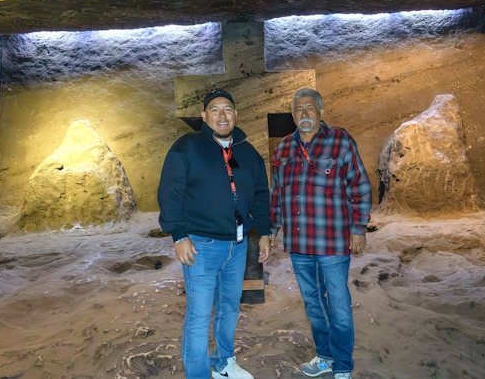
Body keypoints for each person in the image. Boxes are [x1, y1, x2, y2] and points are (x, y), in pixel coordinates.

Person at [157, 89, 272, 379]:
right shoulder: (187, 147)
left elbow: (260, 194)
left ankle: (223, 363)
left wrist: (266, 232)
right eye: (216, 110)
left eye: (228, 109)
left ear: (236, 114)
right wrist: (178, 235)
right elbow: (170, 192)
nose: (223, 115)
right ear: (204, 116)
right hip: (201, 246)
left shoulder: (247, 151)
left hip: (237, 246)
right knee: (198, 316)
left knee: (230, 309)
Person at [269, 88, 372, 379]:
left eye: (310, 108)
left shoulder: (340, 140)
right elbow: (277, 193)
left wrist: (359, 228)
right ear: (293, 115)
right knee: (314, 305)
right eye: (298, 109)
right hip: (299, 244)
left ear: (320, 112)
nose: (304, 114)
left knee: (339, 306)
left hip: (333, 243)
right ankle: (324, 356)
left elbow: (360, 186)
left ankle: (342, 366)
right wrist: (272, 228)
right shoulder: (283, 149)